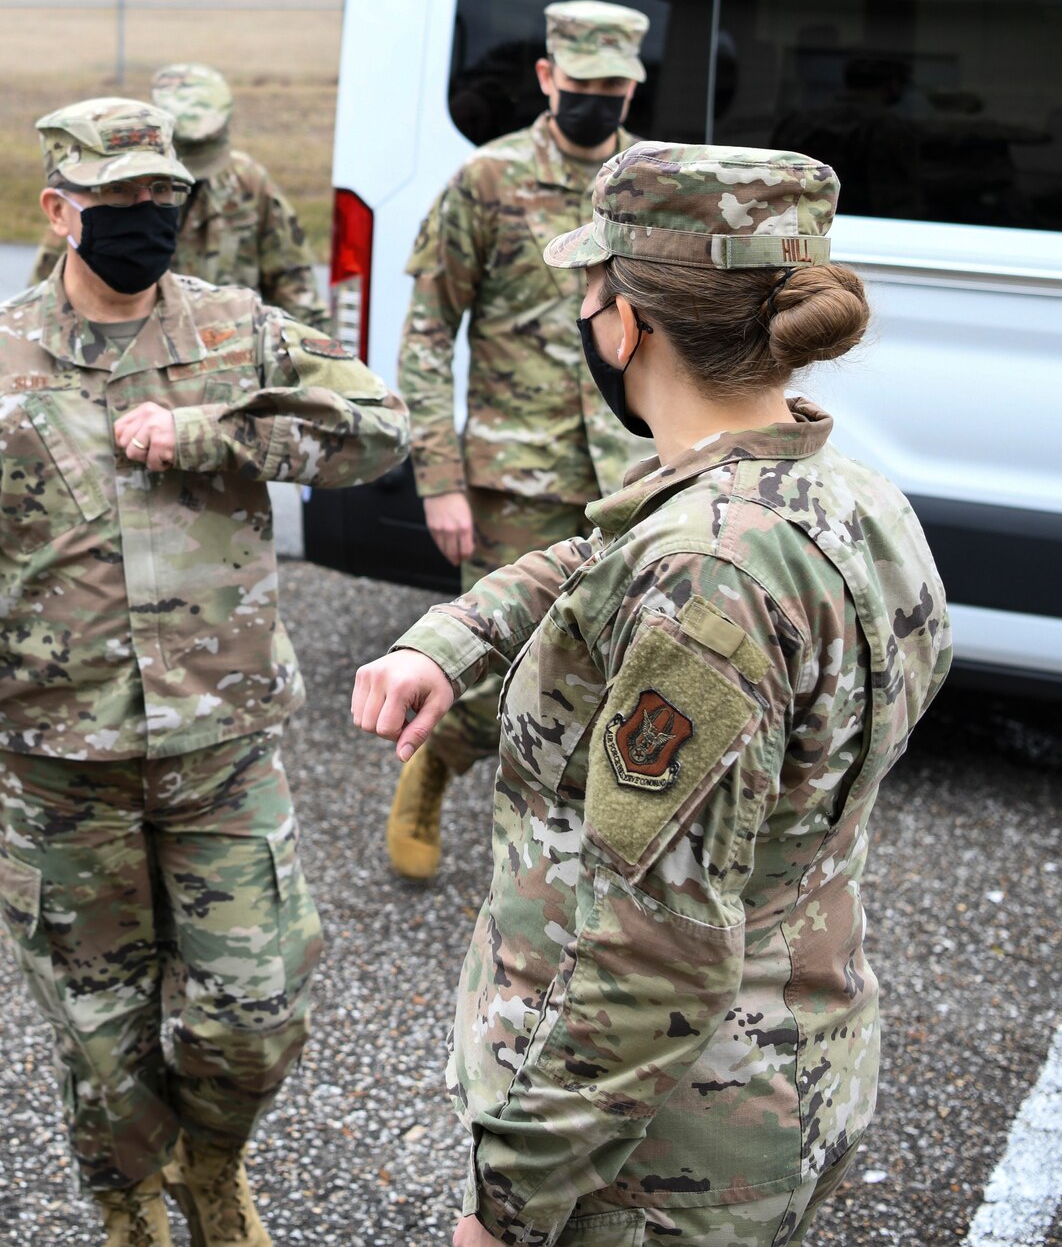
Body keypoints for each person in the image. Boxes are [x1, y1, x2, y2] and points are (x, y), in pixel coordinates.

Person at [352, 143, 953, 1246]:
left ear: (621, 324)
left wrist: (507, 1204)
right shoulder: (844, 496)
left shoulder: (703, 576)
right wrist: (449, 639)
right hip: (792, 1059)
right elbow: (596, 556)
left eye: (588, 291)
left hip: (657, 1153)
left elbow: (650, 951)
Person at [0, 98, 409, 1247]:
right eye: (115, 204)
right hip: (64, 762)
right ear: (60, 211)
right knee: (102, 1033)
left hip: (220, 750)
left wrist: (217, 430)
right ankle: (127, 1202)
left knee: (253, 1011)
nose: (144, 220)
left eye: (161, 199)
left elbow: (376, 429)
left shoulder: (234, 331)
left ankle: (210, 1164)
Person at [384, 0, 656, 882]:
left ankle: (560, 856)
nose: (596, 104)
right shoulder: (487, 183)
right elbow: (426, 332)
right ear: (547, 79)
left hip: (631, 472)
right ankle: (432, 768)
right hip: (514, 476)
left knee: (614, 670)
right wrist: (438, 476)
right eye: (581, 88)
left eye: (613, 89)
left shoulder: (654, 185)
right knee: (496, 663)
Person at [26, 64, 332, 332]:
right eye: (123, 191)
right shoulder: (91, 197)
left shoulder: (247, 184)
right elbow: (52, 288)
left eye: (163, 188)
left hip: (224, 348)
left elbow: (295, 284)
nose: (146, 203)